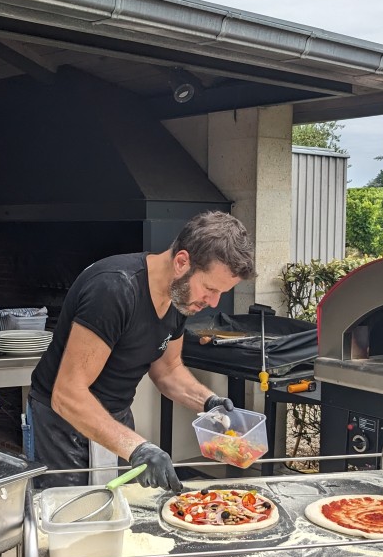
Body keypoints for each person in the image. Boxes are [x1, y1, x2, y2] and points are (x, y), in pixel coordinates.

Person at [27, 210, 256, 491]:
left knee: (119, 516)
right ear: (182, 262)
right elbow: (67, 394)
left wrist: (210, 403)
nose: (213, 301)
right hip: (61, 426)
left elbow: (168, 369)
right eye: (210, 288)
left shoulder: (180, 297)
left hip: (116, 417)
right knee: (69, 524)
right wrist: (138, 447)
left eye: (221, 292)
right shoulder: (113, 289)